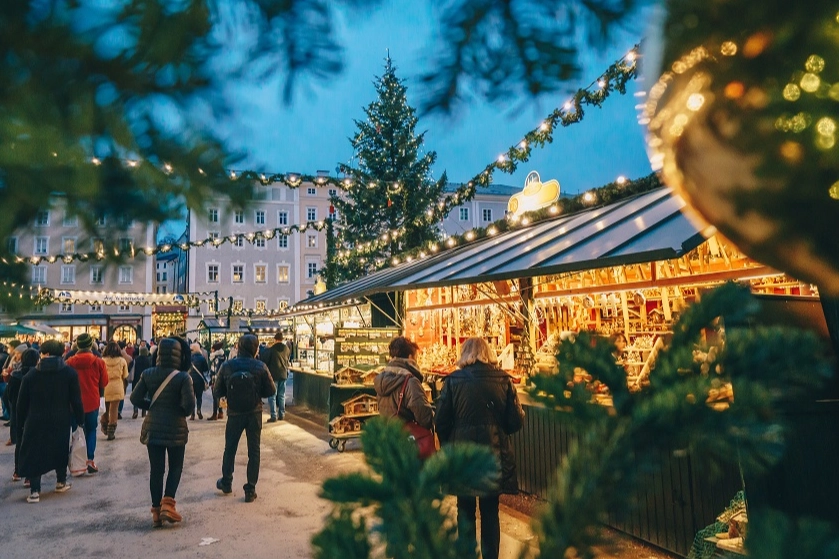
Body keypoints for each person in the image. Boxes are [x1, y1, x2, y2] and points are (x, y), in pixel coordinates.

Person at [435, 337, 525, 559]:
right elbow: (515, 422)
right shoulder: (503, 380)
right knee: (490, 511)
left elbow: (441, 422)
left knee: (464, 510)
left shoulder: (453, 381)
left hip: (463, 457)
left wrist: (450, 447)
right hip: (492, 455)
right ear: (489, 354)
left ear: (465, 354)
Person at [130, 337, 195, 527]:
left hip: (153, 427)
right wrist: (179, 412)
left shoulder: (148, 373)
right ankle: (168, 502)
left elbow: (135, 398)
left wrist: (151, 406)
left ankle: (156, 512)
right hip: (176, 427)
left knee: (156, 470)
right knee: (175, 467)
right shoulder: (183, 377)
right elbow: (189, 406)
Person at [16, 340, 85, 503]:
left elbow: (21, 404)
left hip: (35, 419)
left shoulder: (30, 376)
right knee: (60, 448)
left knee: (35, 452)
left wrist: (20, 424)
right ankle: (61, 481)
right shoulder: (69, 373)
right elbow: (76, 400)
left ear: (43, 354)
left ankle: (34, 491)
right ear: (62, 353)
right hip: (60, 419)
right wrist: (80, 420)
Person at [213, 334, 275, 502]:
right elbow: (271, 391)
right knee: (254, 450)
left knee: (230, 448)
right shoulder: (260, 366)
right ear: (255, 349)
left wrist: (231, 394)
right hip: (254, 412)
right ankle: (250, 488)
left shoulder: (227, 366)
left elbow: (217, 391)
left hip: (234, 413)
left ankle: (226, 481)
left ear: (239, 347)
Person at [66, 333, 108, 474]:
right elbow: (104, 383)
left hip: (73, 404)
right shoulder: (98, 362)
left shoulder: (69, 362)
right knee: (91, 431)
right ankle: (89, 460)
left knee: (76, 432)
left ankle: (77, 461)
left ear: (77, 345)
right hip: (92, 402)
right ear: (90, 345)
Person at [374, 336, 433, 430]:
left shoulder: (381, 379)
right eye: (416, 357)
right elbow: (424, 417)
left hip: (388, 436)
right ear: (410, 357)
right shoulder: (410, 381)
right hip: (408, 438)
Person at [8, 348, 38, 480]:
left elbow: (8, 395)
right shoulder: (37, 375)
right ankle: (29, 476)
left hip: (18, 412)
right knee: (33, 442)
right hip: (33, 412)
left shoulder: (15, 375)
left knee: (20, 442)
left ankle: (17, 471)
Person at [260, 333, 290, 422]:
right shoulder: (286, 349)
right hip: (283, 374)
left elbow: (265, 360)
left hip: (273, 375)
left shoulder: (271, 349)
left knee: (272, 395)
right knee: (281, 395)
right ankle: (282, 414)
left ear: (275, 339)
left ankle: (273, 415)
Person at [102, 342, 129, 441]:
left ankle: (104, 424)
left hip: (105, 386)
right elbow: (125, 375)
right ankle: (111, 430)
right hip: (117, 386)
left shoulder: (102, 361)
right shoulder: (122, 360)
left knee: (106, 408)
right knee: (114, 409)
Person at [188, 344, 209, 420]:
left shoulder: (189, 358)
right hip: (199, 379)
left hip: (190, 379)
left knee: (192, 396)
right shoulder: (202, 358)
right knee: (199, 396)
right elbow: (205, 369)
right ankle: (199, 410)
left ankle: (192, 414)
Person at [131, 346, 153, 419]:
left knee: (136, 394)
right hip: (146, 380)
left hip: (137, 379)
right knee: (145, 396)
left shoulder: (135, 360)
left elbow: (132, 369)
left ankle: (135, 410)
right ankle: (144, 412)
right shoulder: (148, 360)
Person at [207, 342, 227, 421]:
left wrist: (212, 380)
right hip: (222, 378)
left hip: (216, 379)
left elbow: (214, 370)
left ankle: (215, 414)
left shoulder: (215, 358)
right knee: (220, 395)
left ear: (215, 349)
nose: (211, 350)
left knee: (215, 396)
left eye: (212, 348)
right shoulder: (223, 357)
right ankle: (220, 412)